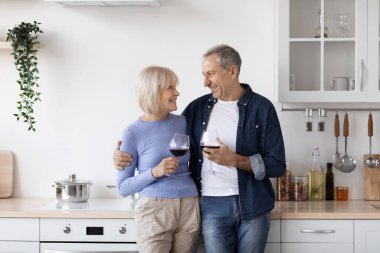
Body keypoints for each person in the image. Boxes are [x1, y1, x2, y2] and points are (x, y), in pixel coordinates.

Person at [114, 45, 286, 253]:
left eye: (211, 74)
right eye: (203, 75)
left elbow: (277, 166)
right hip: (210, 206)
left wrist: (234, 160)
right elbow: (157, 130)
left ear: (232, 72)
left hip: (254, 205)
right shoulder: (196, 109)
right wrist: (121, 156)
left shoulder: (262, 108)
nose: (205, 82)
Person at [116, 66, 200, 253]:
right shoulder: (132, 133)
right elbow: (123, 187)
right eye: (171, 87)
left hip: (189, 204)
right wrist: (154, 172)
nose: (177, 92)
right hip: (154, 209)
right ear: (153, 91)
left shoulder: (183, 122)